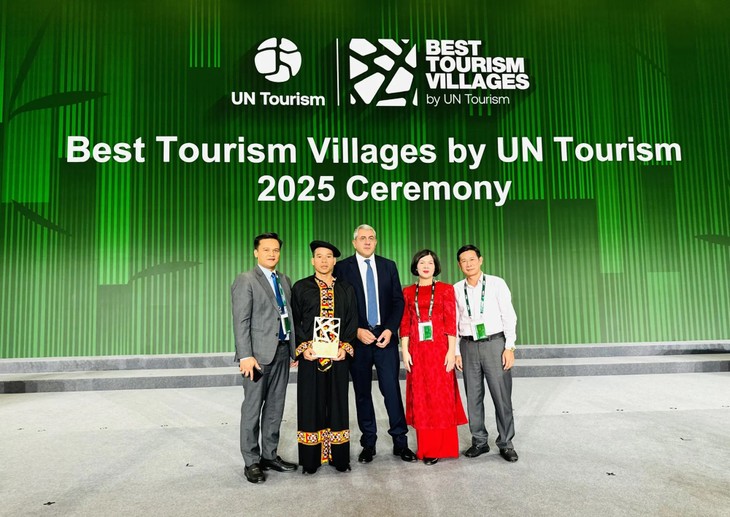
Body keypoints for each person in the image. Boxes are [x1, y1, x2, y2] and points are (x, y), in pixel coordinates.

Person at [334, 224, 416, 463]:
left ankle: (400, 442)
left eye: (371, 238)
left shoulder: (388, 266)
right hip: (358, 339)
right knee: (362, 393)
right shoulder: (342, 268)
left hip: (385, 338)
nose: (367, 241)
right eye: (362, 238)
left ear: (376, 241)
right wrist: (356, 331)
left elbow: (398, 301)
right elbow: (340, 305)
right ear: (354, 242)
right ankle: (368, 443)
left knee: (391, 390)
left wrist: (390, 329)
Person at [231, 232, 298, 484]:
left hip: (281, 352)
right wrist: (245, 356)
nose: (272, 254)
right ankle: (251, 461)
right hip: (257, 358)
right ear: (256, 252)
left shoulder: (284, 279)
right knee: (252, 408)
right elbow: (241, 321)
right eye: (266, 249)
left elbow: (287, 316)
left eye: (276, 250)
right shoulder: (246, 280)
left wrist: (292, 349)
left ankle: (269, 455)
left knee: (275, 407)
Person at [291, 241, 358, 474]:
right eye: (319, 256)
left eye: (328, 256)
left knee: (338, 404)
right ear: (312, 260)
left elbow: (352, 320)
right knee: (311, 404)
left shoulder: (346, 289)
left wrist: (345, 347)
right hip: (311, 357)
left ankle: (339, 458)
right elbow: (295, 321)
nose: (324, 261)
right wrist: (303, 348)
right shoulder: (301, 287)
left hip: (338, 356)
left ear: (334, 261)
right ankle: (311, 460)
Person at [400, 250, 467, 465]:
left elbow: (450, 321)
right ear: (415, 266)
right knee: (422, 398)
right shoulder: (408, 292)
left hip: (440, 351)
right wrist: (405, 351)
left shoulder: (445, 289)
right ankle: (427, 448)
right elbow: (405, 323)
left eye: (430, 262)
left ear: (436, 266)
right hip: (417, 352)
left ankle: (444, 447)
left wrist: (451, 351)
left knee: (441, 398)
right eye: (422, 262)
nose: (426, 266)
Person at [454, 244, 519, 462]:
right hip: (468, 346)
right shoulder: (456, 289)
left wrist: (509, 347)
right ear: (459, 265)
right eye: (464, 261)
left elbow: (509, 316)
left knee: (501, 396)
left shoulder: (497, 283)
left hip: (495, 344)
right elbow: (454, 323)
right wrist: (456, 351)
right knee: (473, 397)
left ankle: (506, 443)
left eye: (472, 259)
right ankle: (479, 442)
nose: (468, 264)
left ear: (480, 260)